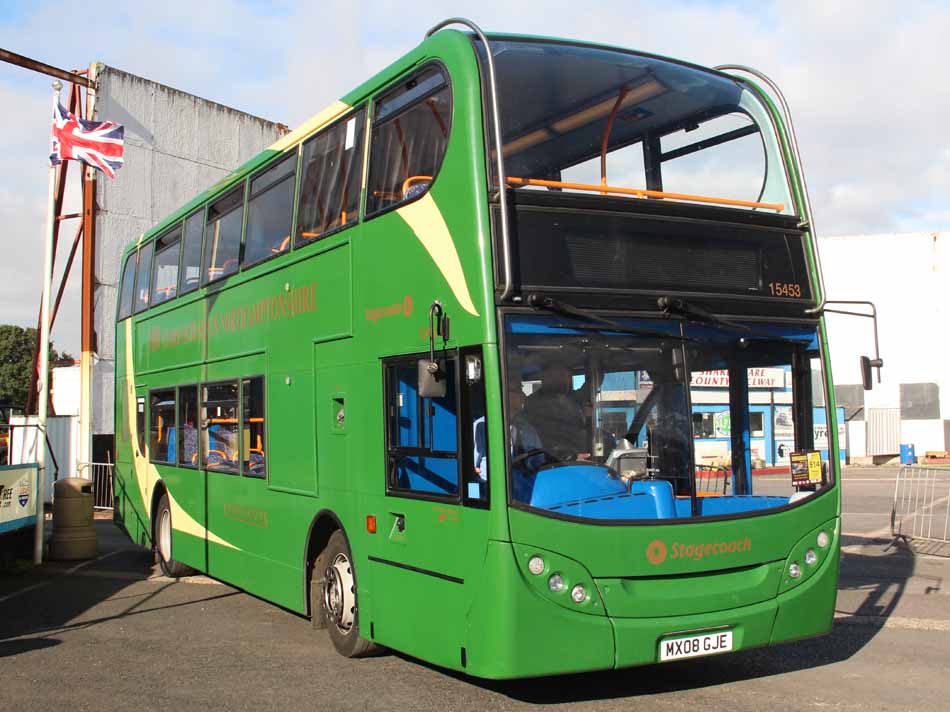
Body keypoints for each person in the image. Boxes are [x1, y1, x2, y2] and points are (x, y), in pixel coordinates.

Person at [522, 362, 589, 459]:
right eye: (560, 376)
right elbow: (546, 441)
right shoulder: (534, 403)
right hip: (552, 463)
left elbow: (591, 385)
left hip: (578, 458)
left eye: (567, 376)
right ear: (546, 378)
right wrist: (570, 457)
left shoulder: (574, 397)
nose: (565, 380)